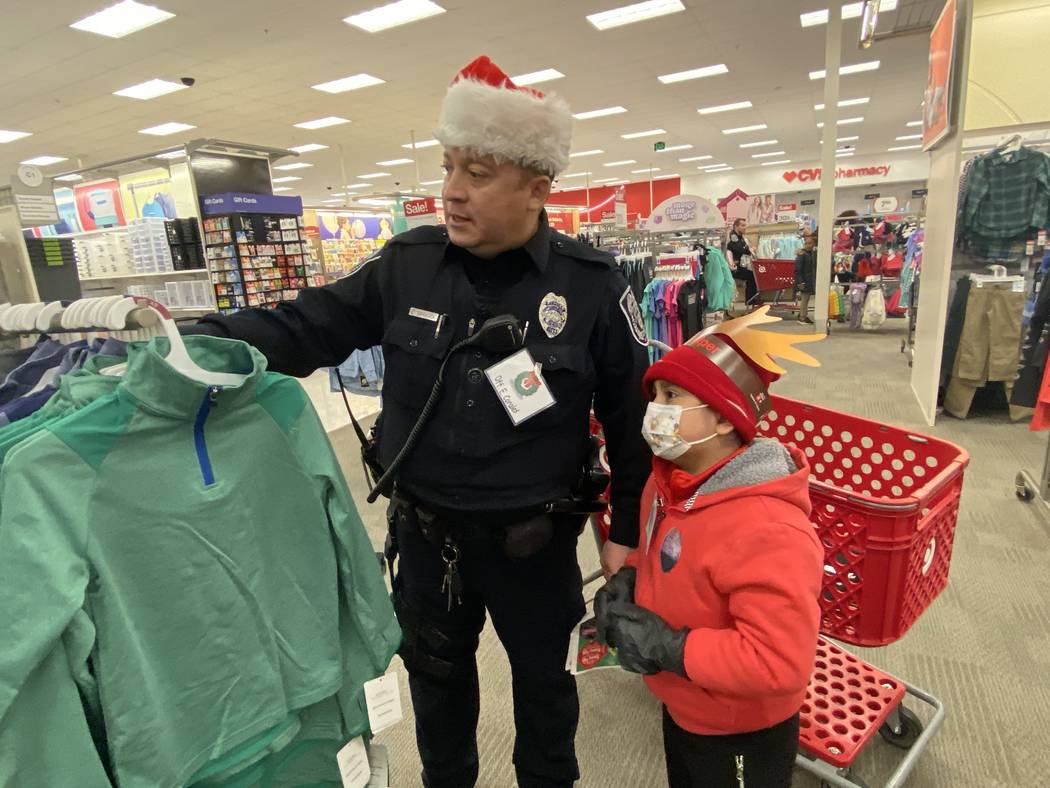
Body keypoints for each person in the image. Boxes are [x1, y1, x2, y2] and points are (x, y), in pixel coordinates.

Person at [186, 55, 651, 788]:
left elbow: (633, 422)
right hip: (427, 542)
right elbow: (310, 325)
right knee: (438, 706)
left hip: (536, 545)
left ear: (538, 187)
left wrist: (625, 533)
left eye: (478, 173)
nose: (451, 192)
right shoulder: (406, 265)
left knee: (547, 703)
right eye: (448, 166)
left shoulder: (589, 285)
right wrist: (197, 339)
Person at [593, 308, 825, 787]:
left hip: (742, 726)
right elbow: (673, 559)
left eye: (672, 395)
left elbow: (777, 662)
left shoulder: (767, 528)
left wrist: (668, 647)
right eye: (654, 394)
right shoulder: (668, 486)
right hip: (685, 701)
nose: (654, 408)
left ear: (722, 419)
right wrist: (633, 578)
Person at [726, 218, 761, 308]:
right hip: (735, 268)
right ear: (736, 226)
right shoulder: (733, 238)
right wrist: (749, 249)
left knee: (754, 275)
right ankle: (750, 301)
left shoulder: (740, 237)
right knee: (752, 276)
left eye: (745, 225)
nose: (745, 227)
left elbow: (745, 249)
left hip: (741, 266)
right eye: (742, 225)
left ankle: (752, 300)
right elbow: (742, 250)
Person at [795, 233, 818, 324]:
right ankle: (802, 318)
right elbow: (798, 270)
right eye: (806, 243)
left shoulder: (812, 254)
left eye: (810, 243)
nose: (808, 245)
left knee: (806, 299)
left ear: (814, 244)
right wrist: (800, 282)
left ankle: (803, 315)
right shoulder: (802, 254)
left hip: (810, 280)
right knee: (804, 299)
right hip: (805, 281)